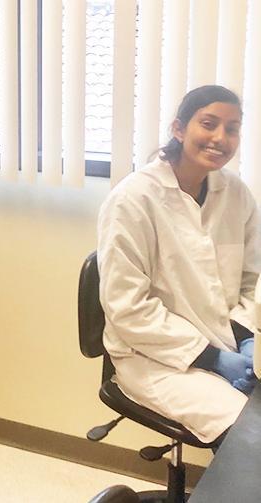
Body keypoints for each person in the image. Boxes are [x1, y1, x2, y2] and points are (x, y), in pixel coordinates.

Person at [97, 85, 260, 445]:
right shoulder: (133, 201)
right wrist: (213, 358)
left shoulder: (236, 194)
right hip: (152, 358)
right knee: (249, 436)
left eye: (232, 128)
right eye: (209, 124)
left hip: (227, 342)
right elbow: (128, 309)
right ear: (179, 129)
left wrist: (246, 338)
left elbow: (252, 280)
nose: (220, 138)